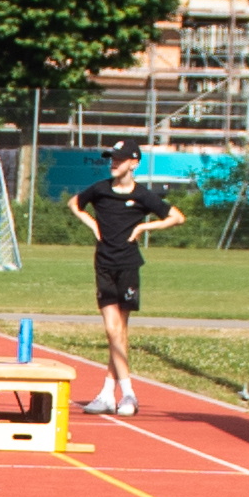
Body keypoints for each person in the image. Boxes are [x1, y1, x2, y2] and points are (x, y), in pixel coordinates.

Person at [66, 142, 182, 417]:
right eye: (111, 158)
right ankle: (124, 392)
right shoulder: (100, 189)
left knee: (120, 331)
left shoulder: (142, 195)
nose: (114, 163)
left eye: (119, 159)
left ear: (134, 163)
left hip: (128, 266)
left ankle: (112, 392)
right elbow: (74, 203)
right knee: (112, 330)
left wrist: (144, 226)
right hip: (103, 265)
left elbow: (176, 217)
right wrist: (91, 223)